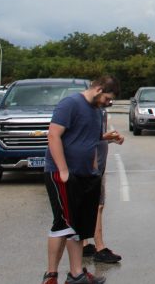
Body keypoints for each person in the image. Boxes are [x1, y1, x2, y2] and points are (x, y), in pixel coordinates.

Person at [41, 76, 123, 284]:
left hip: (86, 175)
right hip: (64, 175)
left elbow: (89, 140)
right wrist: (63, 170)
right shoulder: (71, 104)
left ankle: (76, 274)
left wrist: (108, 139)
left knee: (76, 226)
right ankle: (53, 276)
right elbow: (53, 135)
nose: (108, 103)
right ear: (98, 89)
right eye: (107, 98)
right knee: (63, 224)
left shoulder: (97, 111)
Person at [82, 108, 122, 264]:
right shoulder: (88, 112)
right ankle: (99, 247)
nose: (108, 102)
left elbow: (97, 136)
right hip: (92, 167)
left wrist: (111, 138)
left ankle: (84, 244)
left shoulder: (99, 112)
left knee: (90, 205)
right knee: (97, 205)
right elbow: (84, 137)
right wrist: (106, 137)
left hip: (97, 165)